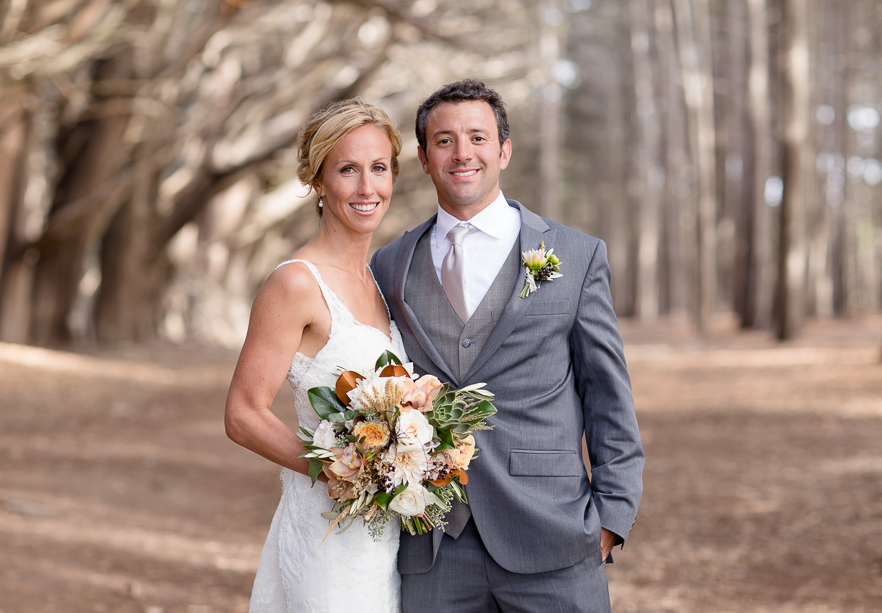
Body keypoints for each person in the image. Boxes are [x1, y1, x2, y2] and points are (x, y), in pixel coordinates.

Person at [370, 79, 644, 612]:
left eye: (477, 136)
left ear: (504, 150)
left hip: (554, 534)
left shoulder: (575, 254)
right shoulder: (390, 266)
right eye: (444, 141)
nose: (462, 153)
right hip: (432, 541)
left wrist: (612, 518)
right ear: (424, 159)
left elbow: (607, 394)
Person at [224, 98, 405, 613]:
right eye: (348, 170)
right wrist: (336, 469)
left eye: (379, 168)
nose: (367, 188)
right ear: (318, 181)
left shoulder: (383, 282)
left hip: (385, 534)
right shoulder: (295, 283)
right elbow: (242, 414)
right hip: (327, 529)